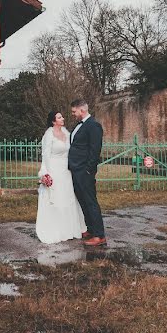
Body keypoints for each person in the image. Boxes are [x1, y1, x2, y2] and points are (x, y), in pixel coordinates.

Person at [35, 110, 87, 244]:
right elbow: (45, 155)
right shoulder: (49, 134)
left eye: (62, 116)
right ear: (53, 121)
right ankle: (56, 229)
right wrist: (45, 173)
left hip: (66, 170)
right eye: (59, 117)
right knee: (56, 197)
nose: (62, 118)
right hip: (54, 169)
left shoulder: (66, 132)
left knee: (68, 196)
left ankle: (70, 229)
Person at [68, 99, 106, 246]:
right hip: (76, 170)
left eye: (74, 111)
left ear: (81, 110)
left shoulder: (94, 126)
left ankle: (99, 235)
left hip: (85, 171)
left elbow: (95, 150)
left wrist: (89, 170)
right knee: (83, 201)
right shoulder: (77, 126)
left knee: (91, 202)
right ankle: (91, 229)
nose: (72, 114)